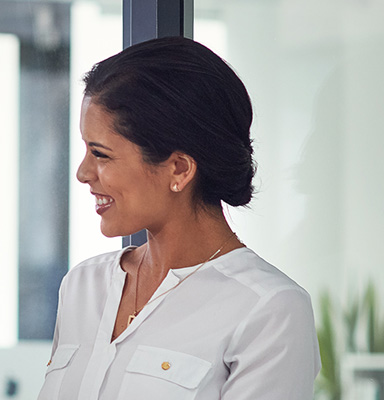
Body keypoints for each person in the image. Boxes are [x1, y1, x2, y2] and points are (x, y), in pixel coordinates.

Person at [39, 36, 320, 400]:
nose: (82, 172)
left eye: (101, 154)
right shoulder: (82, 286)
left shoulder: (270, 309)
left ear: (179, 168)